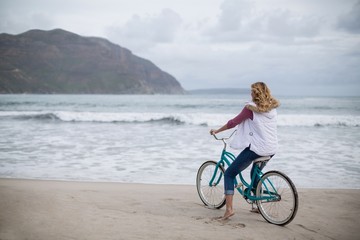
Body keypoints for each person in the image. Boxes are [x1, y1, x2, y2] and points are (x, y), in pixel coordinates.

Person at [210, 82, 280, 220]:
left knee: (229, 173)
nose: (250, 94)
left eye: (251, 92)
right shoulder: (272, 108)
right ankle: (258, 204)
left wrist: (217, 130)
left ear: (254, 94)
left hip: (258, 149)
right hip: (272, 148)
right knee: (255, 172)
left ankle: (229, 210)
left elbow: (233, 123)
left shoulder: (250, 109)